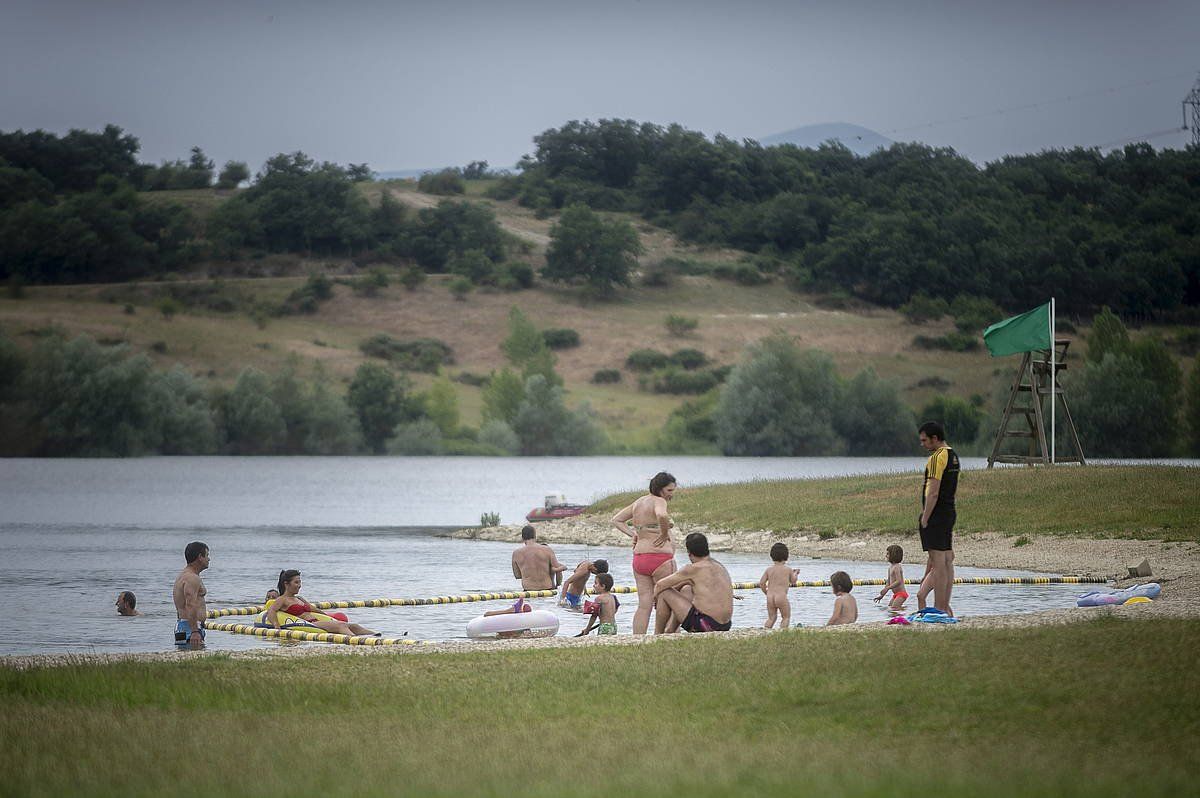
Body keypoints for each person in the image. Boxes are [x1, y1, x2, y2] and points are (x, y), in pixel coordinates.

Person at [610, 471, 678, 635]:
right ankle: (666, 636)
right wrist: (663, 534)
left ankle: (637, 639)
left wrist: (633, 534)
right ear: (660, 489)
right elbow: (661, 514)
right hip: (659, 558)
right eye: (669, 491)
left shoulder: (639, 502)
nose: (671, 495)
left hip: (640, 558)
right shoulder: (659, 501)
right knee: (667, 599)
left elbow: (617, 519)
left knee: (644, 604)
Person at [916, 421, 959, 616]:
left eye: (925, 440)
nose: (923, 444)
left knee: (938, 561)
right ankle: (944, 606)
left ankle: (939, 608)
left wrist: (925, 517)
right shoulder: (953, 456)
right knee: (947, 559)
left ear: (935, 438)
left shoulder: (936, 458)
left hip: (936, 513)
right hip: (949, 511)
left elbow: (933, 492)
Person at [652, 532, 734, 634]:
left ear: (689, 553)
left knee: (664, 592)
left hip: (705, 624)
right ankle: (670, 631)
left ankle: (657, 634)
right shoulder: (719, 566)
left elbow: (660, 585)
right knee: (686, 589)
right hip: (725, 625)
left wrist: (656, 599)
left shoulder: (692, 569)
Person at [268, 570, 377, 637]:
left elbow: (313, 609)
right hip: (308, 624)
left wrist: (328, 617)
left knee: (354, 625)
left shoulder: (300, 598)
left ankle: (376, 636)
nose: (299, 585)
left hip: (316, 621)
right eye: (296, 582)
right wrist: (276, 626)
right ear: (286, 584)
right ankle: (357, 641)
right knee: (341, 625)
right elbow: (271, 611)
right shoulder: (282, 599)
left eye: (300, 582)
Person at [173, 541, 209, 647]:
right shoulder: (192, 578)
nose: (209, 559)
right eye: (207, 555)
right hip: (190, 628)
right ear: (200, 557)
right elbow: (190, 604)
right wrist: (194, 631)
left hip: (183, 625)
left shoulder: (183, 576)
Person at [512, 525, 567, 591]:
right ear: (535, 536)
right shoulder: (547, 550)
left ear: (522, 538)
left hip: (529, 592)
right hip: (547, 591)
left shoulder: (516, 553)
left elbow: (517, 576)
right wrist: (557, 585)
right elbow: (558, 570)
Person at [758, 542, 795, 630]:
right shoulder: (788, 570)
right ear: (786, 556)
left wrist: (766, 593)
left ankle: (766, 630)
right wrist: (796, 573)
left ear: (772, 556)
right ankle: (782, 631)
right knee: (786, 617)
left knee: (772, 618)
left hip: (770, 597)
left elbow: (762, 583)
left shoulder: (769, 570)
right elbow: (793, 581)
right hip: (781, 596)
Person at [874, 545, 909, 613]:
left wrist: (888, 588)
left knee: (894, 608)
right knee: (890, 607)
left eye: (888, 554)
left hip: (901, 594)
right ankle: (903, 611)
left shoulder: (897, 567)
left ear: (893, 555)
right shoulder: (890, 568)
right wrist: (882, 595)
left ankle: (904, 614)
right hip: (896, 594)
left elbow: (899, 581)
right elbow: (888, 582)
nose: (886, 556)